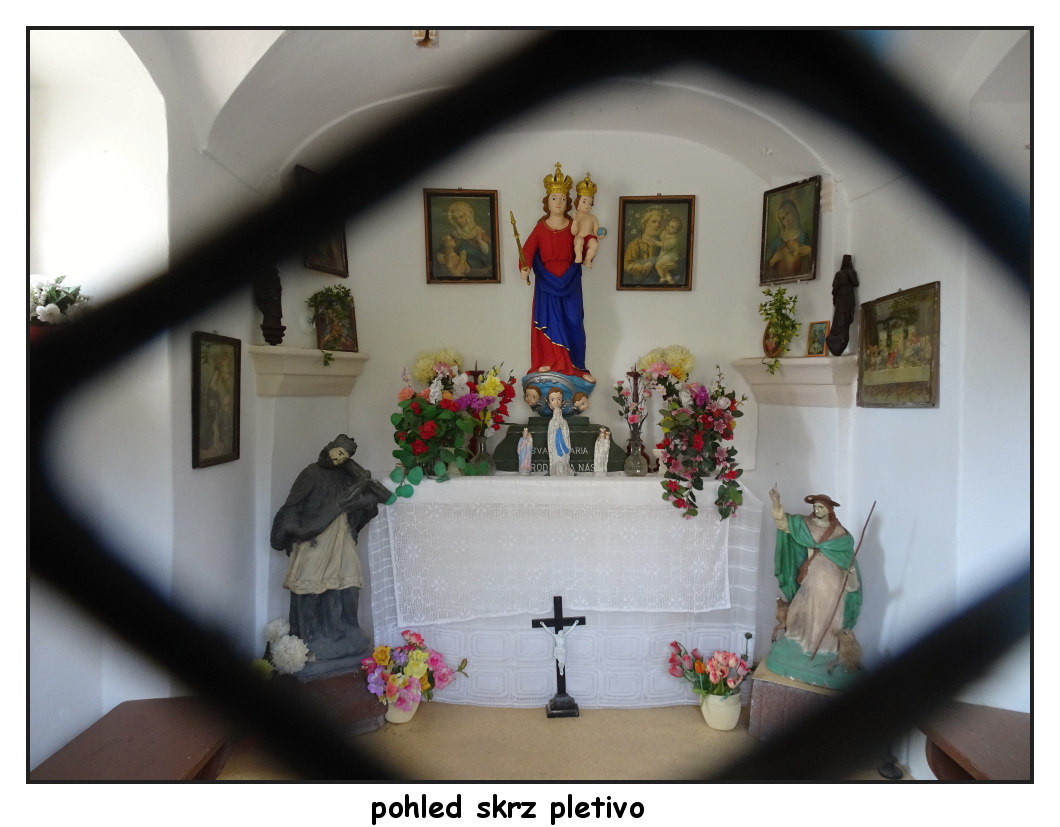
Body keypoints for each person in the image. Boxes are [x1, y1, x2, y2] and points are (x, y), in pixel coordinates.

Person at [270, 434, 391, 662]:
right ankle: (308, 638)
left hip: (341, 535)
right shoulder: (311, 473)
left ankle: (344, 632)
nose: (339, 459)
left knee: (349, 583)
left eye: (345, 456)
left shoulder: (347, 475)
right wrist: (295, 532)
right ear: (331, 448)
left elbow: (373, 499)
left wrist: (363, 501)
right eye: (339, 452)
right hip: (315, 536)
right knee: (309, 585)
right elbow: (294, 505)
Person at [519, 162, 594, 382]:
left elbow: (586, 244)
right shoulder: (541, 227)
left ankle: (578, 366)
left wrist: (592, 244)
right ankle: (550, 362)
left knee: (574, 321)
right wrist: (524, 267)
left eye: (562, 198)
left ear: (568, 201)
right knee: (550, 321)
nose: (559, 202)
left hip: (570, 278)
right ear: (547, 201)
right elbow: (527, 251)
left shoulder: (574, 225)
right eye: (554, 198)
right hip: (547, 281)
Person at [768, 488, 861, 659]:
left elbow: (846, 556)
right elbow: (783, 523)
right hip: (813, 576)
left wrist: (851, 574)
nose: (817, 510)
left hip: (833, 581)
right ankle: (802, 641)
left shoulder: (839, 532)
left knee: (826, 613)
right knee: (800, 607)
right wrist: (776, 501)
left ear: (829, 510)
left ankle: (823, 647)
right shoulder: (804, 524)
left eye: (821, 507)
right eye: (816, 507)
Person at [765, 198, 813, 281]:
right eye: (783, 218)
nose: (786, 220)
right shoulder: (777, 242)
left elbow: (811, 265)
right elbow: (766, 266)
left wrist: (810, 251)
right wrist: (772, 261)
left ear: (795, 212)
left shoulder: (803, 237)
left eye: (787, 213)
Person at [447, 200, 492, 276]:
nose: (459, 221)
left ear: (468, 216)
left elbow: (492, 254)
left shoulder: (480, 232)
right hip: (463, 273)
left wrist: (480, 241)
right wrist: (439, 254)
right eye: (456, 219)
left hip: (481, 272)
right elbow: (446, 249)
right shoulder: (454, 236)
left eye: (461, 217)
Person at [826, 255, 858, 355]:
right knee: (841, 320)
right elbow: (855, 283)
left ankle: (838, 339)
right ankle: (837, 339)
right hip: (844, 300)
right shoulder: (849, 272)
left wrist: (835, 298)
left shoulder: (841, 273)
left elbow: (834, 290)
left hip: (843, 300)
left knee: (842, 320)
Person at [622, 207, 664, 284]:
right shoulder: (635, 244)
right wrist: (641, 268)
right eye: (654, 221)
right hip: (640, 281)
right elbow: (627, 265)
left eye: (659, 222)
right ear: (646, 223)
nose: (657, 225)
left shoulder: (661, 243)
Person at [570, 173, 600, 268]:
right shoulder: (577, 216)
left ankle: (587, 259)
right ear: (577, 203)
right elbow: (574, 232)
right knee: (579, 241)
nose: (587, 205)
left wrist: (601, 234)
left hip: (589, 238)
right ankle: (578, 257)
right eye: (584, 202)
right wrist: (575, 220)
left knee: (594, 244)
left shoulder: (593, 218)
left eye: (590, 203)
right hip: (579, 237)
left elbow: (596, 232)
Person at [546, 387, 575, 476]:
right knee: (557, 458)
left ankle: (564, 469)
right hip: (555, 447)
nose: (556, 402)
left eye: (559, 399)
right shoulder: (551, 422)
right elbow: (550, 434)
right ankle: (556, 469)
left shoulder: (564, 421)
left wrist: (561, 424)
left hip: (563, 444)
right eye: (553, 399)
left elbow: (566, 432)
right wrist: (555, 425)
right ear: (549, 404)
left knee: (563, 457)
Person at [653, 215, 683, 284]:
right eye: (668, 225)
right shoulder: (665, 232)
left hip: (670, 256)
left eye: (672, 227)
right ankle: (670, 280)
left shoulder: (673, 240)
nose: (668, 227)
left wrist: (655, 242)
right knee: (665, 269)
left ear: (676, 231)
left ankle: (662, 277)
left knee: (658, 265)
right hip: (664, 254)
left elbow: (664, 245)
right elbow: (660, 235)